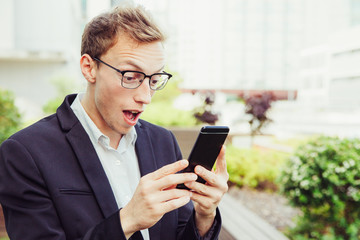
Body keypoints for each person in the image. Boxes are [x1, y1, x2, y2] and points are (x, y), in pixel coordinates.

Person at [0, 4, 229, 240]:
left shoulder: (163, 141)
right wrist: (127, 220)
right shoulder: (24, 153)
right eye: (130, 77)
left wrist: (205, 215)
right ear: (89, 68)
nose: (145, 97)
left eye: (154, 79)